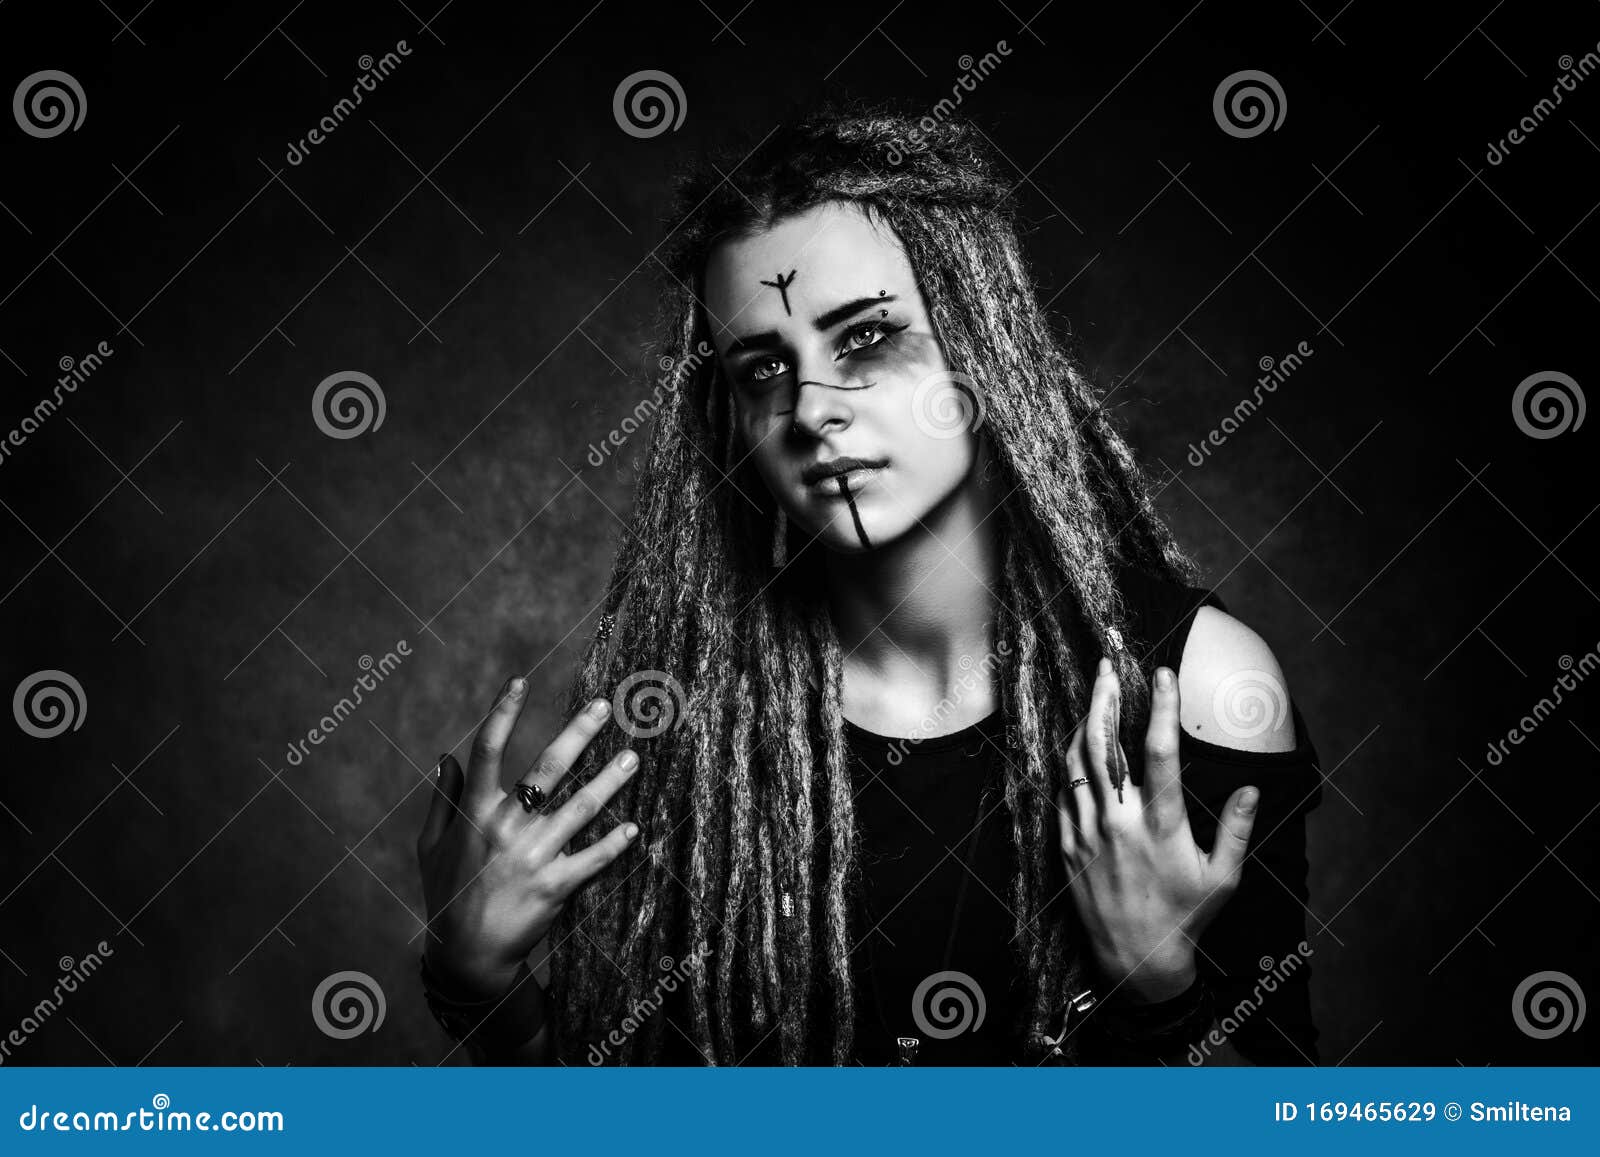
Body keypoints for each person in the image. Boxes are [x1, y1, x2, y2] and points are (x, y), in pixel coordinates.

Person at [413, 102, 1325, 1067]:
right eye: (764, 368)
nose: (811, 410)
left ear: (982, 343)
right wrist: (481, 986)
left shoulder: (1192, 697)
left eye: (865, 340)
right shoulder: (685, 727)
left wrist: (1157, 986)